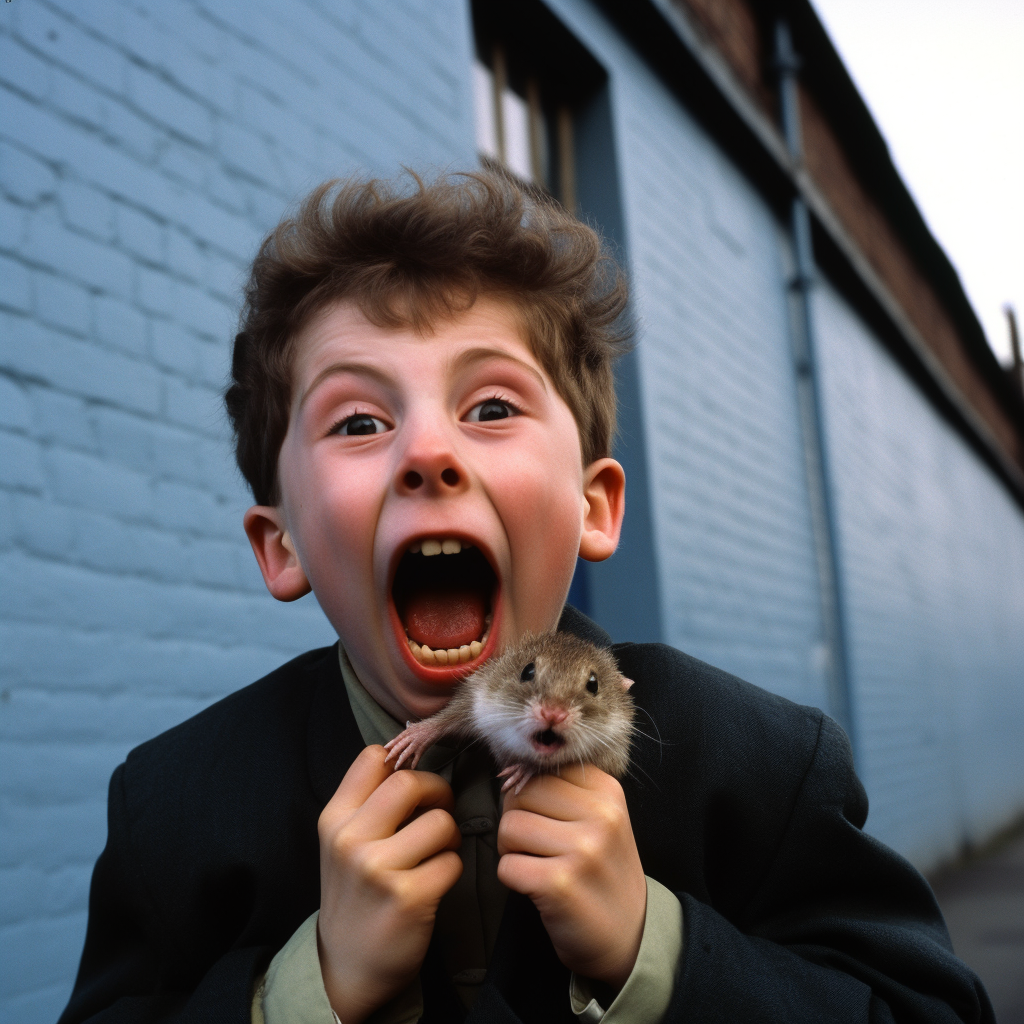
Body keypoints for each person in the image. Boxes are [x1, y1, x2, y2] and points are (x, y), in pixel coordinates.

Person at [59, 171, 992, 1024]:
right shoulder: (170, 809)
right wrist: (304, 996)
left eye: (493, 408)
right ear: (283, 546)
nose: (429, 452)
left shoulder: (764, 767)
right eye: (359, 420)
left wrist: (657, 951)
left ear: (593, 507)